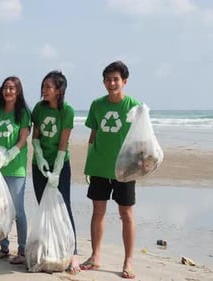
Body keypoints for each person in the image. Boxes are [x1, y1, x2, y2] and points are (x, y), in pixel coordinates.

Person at [80, 61, 140, 279]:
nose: (111, 83)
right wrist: (88, 162)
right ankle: (95, 257)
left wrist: (140, 165)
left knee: (126, 214)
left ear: (124, 81)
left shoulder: (134, 106)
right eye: (108, 79)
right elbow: (93, 135)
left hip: (124, 170)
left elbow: (141, 139)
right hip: (99, 167)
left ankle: (128, 261)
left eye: (116, 79)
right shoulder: (97, 105)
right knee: (98, 212)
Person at [30, 70, 79, 274]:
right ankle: (49, 250)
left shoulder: (67, 111)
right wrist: (40, 158)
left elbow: (63, 143)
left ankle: (73, 253)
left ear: (59, 90)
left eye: (48, 87)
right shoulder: (39, 108)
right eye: (43, 86)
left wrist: (56, 170)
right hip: (39, 164)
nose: (44, 90)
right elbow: (36, 137)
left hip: (60, 165)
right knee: (44, 206)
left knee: (63, 206)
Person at [0, 76, 31, 264]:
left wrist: (10, 154)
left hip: (16, 169)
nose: (8, 91)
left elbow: (23, 138)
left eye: (12, 88)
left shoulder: (23, 113)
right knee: (0, 209)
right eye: (5, 88)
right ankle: (3, 248)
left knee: (18, 211)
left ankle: (22, 250)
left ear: (18, 91)